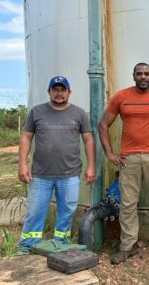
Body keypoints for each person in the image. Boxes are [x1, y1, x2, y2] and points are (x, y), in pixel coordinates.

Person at [98, 63, 149, 266]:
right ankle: (128, 246)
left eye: (147, 73)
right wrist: (109, 153)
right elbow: (103, 125)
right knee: (127, 205)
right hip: (129, 159)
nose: (143, 77)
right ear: (133, 75)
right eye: (139, 73)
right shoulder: (121, 97)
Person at [17, 76, 96, 253]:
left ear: (69, 92)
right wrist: (22, 164)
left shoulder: (79, 113)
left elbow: (88, 140)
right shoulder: (36, 112)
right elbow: (26, 137)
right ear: (49, 92)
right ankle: (27, 247)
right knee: (35, 212)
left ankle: (61, 244)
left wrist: (91, 166)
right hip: (40, 175)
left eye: (63, 90)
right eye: (55, 90)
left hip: (70, 174)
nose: (59, 93)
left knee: (67, 212)